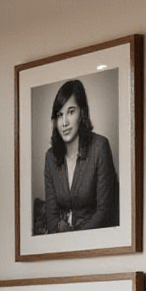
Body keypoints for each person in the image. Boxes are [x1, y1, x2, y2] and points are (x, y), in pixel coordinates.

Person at [39, 79, 119, 234]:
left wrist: (75, 237)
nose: (64, 122)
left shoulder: (100, 146)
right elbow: (51, 214)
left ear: (82, 112)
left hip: (95, 238)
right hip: (62, 241)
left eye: (71, 112)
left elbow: (104, 211)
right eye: (60, 115)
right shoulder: (50, 157)